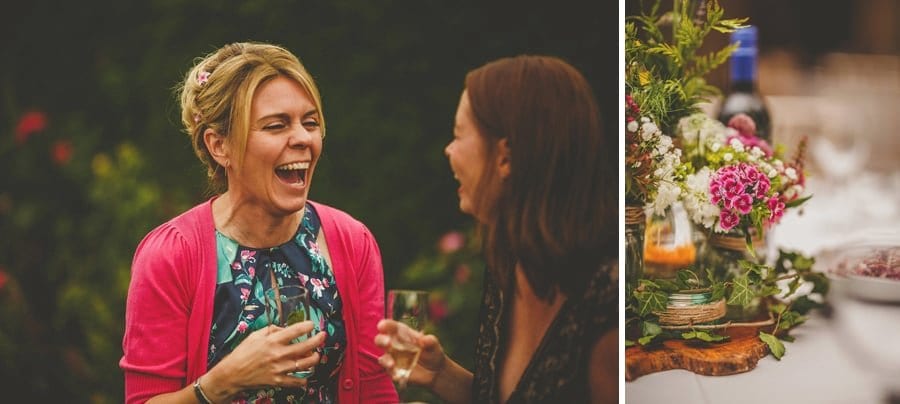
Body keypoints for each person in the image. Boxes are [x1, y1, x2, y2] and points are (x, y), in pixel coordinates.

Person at [120, 42, 398, 404]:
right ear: (220, 146)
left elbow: (376, 391)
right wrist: (221, 382)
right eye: (276, 125)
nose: (302, 138)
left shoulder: (351, 242)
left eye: (310, 123)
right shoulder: (171, 255)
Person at [374, 55, 618, 403]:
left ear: (505, 156)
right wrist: (441, 374)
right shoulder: (512, 265)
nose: (448, 150)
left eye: (458, 135)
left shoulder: (607, 300)